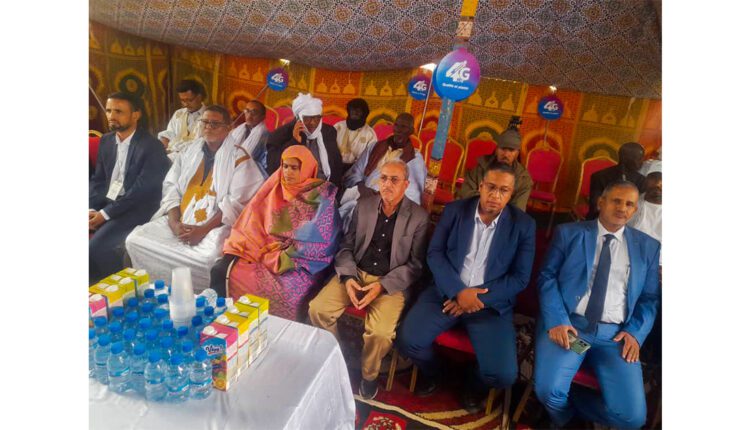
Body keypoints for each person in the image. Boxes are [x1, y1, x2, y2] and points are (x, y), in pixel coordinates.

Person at [397, 161, 536, 412]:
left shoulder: (523, 225)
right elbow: (435, 253)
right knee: (408, 341)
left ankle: (472, 383)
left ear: (511, 194)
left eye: (503, 190)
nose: (495, 195)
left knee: (504, 375)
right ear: (480, 186)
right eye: (491, 187)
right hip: (446, 293)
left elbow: (520, 278)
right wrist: (458, 292)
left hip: (489, 305)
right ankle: (437, 372)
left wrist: (473, 299)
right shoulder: (455, 211)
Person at [534, 180, 660, 429]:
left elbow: (649, 298)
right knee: (548, 391)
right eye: (616, 201)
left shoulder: (648, 247)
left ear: (635, 210)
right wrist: (557, 320)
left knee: (633, 419)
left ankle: (570, 409)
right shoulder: (569, 233)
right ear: (601, 202)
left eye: (629, 204)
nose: (622, 208)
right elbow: (546, 277)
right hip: (571, 328)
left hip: (615, 338)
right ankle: (566, 420)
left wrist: (635, 333)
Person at [309, 160, 430, 400]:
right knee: (318, 309)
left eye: (394, 180)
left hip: (390, 282)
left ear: (406, 185)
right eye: (383, 178)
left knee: (381, 333)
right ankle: (338, 360)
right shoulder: (364, 206)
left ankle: (369, 375)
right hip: (356, 272)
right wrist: (349, 278)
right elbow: (346, 247)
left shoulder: (418, 217)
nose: (387, 184)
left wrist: (382, 286)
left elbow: (416, 265)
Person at [125, 105, 264, 292]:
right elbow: (171, 187)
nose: (208, 127)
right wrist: (174, 223)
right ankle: (156, 292)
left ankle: (198, 299)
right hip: (181, 218)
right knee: (135, 239)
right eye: (205, 122)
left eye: (215, 124)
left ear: (228, 128)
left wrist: (203, 230)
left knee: (207, 259)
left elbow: (236, 204)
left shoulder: (239, 158)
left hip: (216, 225)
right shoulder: (189, 151)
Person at [214, 146, 342, 321]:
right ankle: (236, 322)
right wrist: (261, 249)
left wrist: (277, 257)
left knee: (287, 291)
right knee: (229, 271)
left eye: (294, 168)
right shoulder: (273, 188)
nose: (288, 172)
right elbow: (251, 222)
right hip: (264, 249)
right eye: (285, 166)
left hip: (301, 263)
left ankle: (279, 331)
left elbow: (320, 243)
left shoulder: (321, 197)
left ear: (307, 168)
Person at [89, 92, 170, 283]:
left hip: (138, 208)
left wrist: (104, 215)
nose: (111, 116)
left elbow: (141, 192)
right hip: (110, 203)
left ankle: (118, 289)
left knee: (97, 248)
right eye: (109, 110)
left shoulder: (151, 146)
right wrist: (91, 208)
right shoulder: (107, 140)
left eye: (118, 111)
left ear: (136, 115)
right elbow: (99, 180)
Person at [338, 113, 427, 231]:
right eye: (397, 125)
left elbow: (413, 194)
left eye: (404, 127)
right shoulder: (375, 147)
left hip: (388, 205)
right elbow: (355, 173)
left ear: (411, 131)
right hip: (362, 195)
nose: (399, 130)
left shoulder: (414, 159)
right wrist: (361, 187)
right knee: (341, 216)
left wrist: (383, 198)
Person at [266, 93, 343, 193]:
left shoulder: (328, 132)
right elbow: (273, 168)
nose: (313, 123)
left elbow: (336, 163)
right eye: (307, 118)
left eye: (317, 118)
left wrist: (335, 192)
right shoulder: (279, 135)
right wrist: (294, 142)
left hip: (325, 188)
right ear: (298, 118)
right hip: (294, 191)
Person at [457, 125, 533, 211]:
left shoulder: (524, 179)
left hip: (503, 217)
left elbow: (518, 209)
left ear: (517, 153)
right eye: (503, 149)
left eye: (511, 150)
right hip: (475, 210)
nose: (506, 154)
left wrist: (494, 207)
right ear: (496, 149)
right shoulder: (481, 166)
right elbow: (466, 192)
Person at [587, 142, 646, 219]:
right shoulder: (600, 177)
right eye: (639, 158)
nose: (642, 162)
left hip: (630, 220)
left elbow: (641, 208)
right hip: (601, 219)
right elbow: (596, 207)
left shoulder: (642, 180)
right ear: (624, 158)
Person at [158, 79, 207, 160]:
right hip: (171, 155)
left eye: (189, 100)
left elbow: (201, 144)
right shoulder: (179, 113)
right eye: (182, 100)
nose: (185, 104)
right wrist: (163, 143)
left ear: (199, 97)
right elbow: (169, 133)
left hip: (193, 158)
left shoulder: (208, 117)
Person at [226, 100, 270, 177]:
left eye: (254, 112)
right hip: (231, 168)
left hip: (251, 174)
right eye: (247, 111)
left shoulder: (264, 135)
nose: (249, 116)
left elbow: (256, 160)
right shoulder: (239, 129)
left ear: (263, 116)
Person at [333, 98, 378, 172]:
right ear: (349, 111)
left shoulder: (370, 134)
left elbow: (370, 158)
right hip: (334, 166)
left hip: (356, 170)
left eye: (358, 111)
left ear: (364, 114)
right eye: (353, 110)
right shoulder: (337, 127)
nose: (355, 113)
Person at [628, 171, 661, 244]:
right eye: (652, 188)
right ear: (646, 187)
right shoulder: (632, 202)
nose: (657, 192)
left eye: (660, 188)